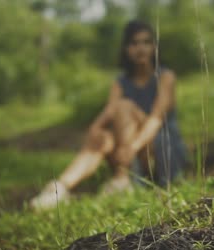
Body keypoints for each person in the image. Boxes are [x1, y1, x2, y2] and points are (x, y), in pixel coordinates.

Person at [31, 20, 188, 210]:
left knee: (124, 106)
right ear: (126, 49)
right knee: (104, 136)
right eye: (134, 43)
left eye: (146, 42)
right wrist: (96, 134)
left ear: (154, 46)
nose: (141, 48)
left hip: (159, 150)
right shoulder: (120, 82)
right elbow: (105, 116)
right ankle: (59, 188)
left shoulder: (165, 77)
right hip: (131, 151)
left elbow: (156, 119)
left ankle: (122, 178)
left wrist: (131, 146)